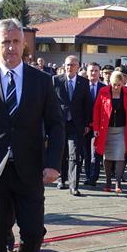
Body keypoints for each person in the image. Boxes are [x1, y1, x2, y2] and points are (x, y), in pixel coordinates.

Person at [0, 18, 64, 252]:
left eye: (16, 41)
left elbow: (56, 125)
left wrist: (54, 163)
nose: (11, 47)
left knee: (34, 233)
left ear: (24, 44)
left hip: (30, 170)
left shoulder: (42, 81)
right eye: (5, 42)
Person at [53, 55, 93, 196]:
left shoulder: (83, 82)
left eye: (72, 65)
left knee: (74, 155)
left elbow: (87, 105)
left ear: (78, 66)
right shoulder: (56, 80)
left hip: (76, 125)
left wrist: (88, 123)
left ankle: (73, 185)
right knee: (61, 153)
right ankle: (61, 179)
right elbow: (51, 103)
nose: (69, 67)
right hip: (60, 124)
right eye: (67, 65)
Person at [93, 71, 127, 193]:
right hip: (106, 130)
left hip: (122, 130)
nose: (116, 87)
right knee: (107, 157)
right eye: (114, 84)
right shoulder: (103, 92)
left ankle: (118, 183)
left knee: (120, 157)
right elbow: (96, 110)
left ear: (123, 83)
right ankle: (108, 182)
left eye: (119, 84)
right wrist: (96, 128)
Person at [83, 62, 106, 186]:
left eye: (96, 71)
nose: (93, 73)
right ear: (87, 72)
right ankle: (88, 175)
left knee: (95, 152)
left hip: (99, 126)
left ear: (99, 73)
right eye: (91, 70)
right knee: (86, 152)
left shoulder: (104, 88)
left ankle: (93, 177)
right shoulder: (82, 86)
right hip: (85, 125)